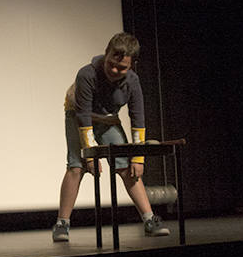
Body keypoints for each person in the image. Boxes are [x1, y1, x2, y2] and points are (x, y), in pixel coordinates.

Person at [53, 32, 170, 242]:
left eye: (121, 68)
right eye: (111, 64)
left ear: (131, 65)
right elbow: (84, 115)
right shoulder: (87, 74)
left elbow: (138, 118)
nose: (115, 70)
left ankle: (150, 219)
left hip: (108, 119)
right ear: (106, 55)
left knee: (128, 167)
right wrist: (89, 156)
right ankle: (62, 224)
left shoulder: (133, 82)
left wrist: (139, 157)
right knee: (76, 166)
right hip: (78, 115)